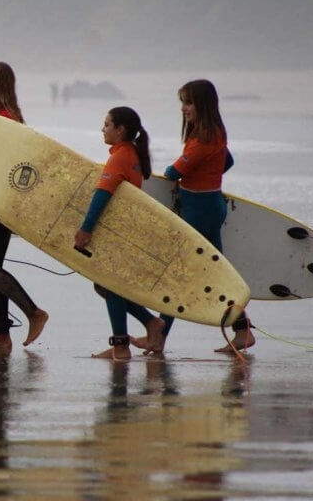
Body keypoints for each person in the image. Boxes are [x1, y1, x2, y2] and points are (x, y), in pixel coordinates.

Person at [132, 79, 254, 355]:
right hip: (207, 205)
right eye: (182, 103)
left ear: (202, 104)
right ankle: (243, 330)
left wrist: (186, 176)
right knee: (214, 274)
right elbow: (228, 161)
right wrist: (208, 174)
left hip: (200, 211)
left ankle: (159, 337)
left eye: (188, 103)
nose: (184, 109)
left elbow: (174, 171)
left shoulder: (203, 139)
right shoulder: (214, 132)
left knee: (178, 275)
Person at [0, 61, 49, 351]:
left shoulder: (5, 119)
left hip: (0, 202)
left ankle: (33, 313)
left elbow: (10, 169)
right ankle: (1, 335)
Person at [74, 107, 166, 359]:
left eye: (107, 125)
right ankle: (150, 323)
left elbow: (102, 195)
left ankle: (121, 345)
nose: (102, 129)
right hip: (123, 230)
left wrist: (85, 229)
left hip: (116, 232)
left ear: (120, 130)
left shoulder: (120, 157)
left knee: (110, 285)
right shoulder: (131, 154)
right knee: (104, 286)